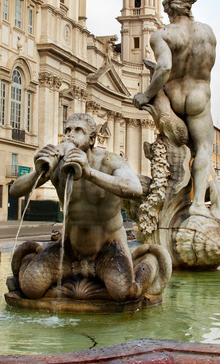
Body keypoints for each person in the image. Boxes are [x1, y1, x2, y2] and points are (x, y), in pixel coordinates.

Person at [9, 114, 167, 300]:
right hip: (69, 249)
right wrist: (39, 171)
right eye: (67, 130)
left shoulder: (108, 161)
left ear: (92, 139)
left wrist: (89, 172)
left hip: (107, 248)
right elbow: (15, 191)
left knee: (124, 292)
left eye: (78, 130)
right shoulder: (58, 164)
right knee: (30, 287)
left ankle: (146, 262)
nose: (70, 135)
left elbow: (134, 188)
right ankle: (33, 256)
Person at [132, 0, 216, 217]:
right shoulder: (207, 33)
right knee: (203, 150)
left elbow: (165, 68)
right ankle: (198, 205)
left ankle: (167, 202)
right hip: (199, 96)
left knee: (170, 148)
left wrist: (146, 95)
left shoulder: (162, 34)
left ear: (169, 10)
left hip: (174, 98)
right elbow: (208, 66)